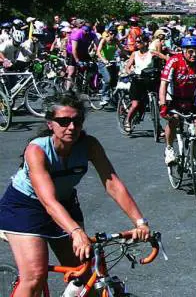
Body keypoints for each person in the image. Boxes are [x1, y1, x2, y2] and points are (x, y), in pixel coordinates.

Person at [0, 94, 151, 296]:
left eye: (76, 121)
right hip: (25, 208)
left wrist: (140, 222)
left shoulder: (89, 145)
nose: (71, 127)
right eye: (63, 121)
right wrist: (76, 232)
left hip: (64, 204)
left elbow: (112, 183)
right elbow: (48, 201)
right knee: (35, 275)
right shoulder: (37, 150)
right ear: (50, 124)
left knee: (84, 273)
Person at [159, 36, 196, 165]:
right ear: (183, 50)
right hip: (173, 99)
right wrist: (163, 104)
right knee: (174, 119)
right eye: (190, 51)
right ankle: (169, 148)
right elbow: (163, 84)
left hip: (191, 99)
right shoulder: (174, 60)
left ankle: (192, 157)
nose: (194, 55)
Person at [122, 37, 156, 133]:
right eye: (136, 42)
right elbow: (128, 67)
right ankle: (127, 121)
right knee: (135, 104)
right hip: (137, 80)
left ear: (146, 43)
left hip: (149, 81)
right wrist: (130, 72)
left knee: (150, 103)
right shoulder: (135, 54)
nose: (136, 43)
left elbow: (166, 59)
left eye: (139, 42)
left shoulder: (152, 53)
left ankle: (157, 126)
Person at [95, 26, 119, 106]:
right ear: (108, 33)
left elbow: (122, 50)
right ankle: (104, 96)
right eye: (111, 33)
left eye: (114, 34)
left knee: (116, 81)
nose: (112, 35)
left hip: (112, 62)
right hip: (103, 63)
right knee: (108, 80)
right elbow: (98, 52)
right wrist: (104, 60)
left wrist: (129, 57)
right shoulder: (104, 40)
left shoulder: (116, 41)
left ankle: (115, 98)